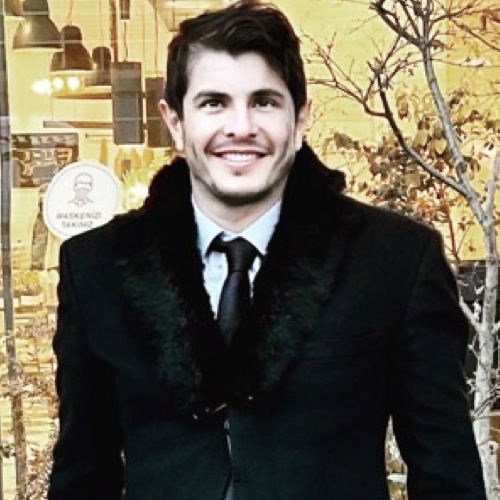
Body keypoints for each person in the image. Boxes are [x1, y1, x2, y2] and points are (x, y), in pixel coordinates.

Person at [47, 1, 487, 499]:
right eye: (214, 103)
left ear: (299, 119)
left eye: (264, 102)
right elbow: (82, 475)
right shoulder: (97, 268)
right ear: (175, 121)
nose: (241, 127)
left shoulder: (396, 262)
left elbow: (447, 477)